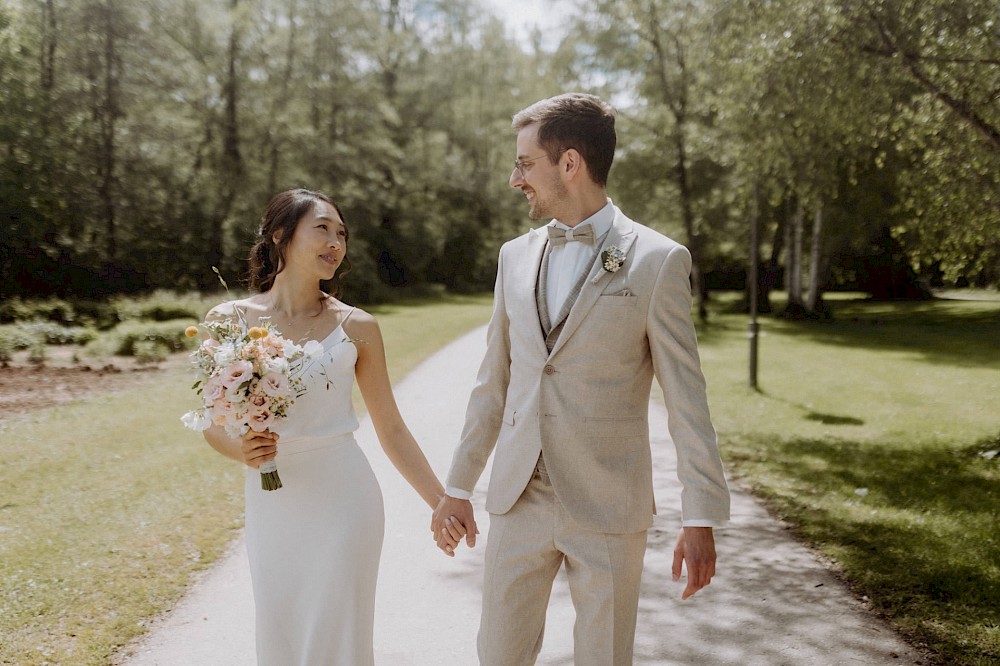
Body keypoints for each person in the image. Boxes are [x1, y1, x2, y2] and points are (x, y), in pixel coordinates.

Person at [431, 93, 731, 665]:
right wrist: (458, 487)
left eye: (525, 163)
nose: (515, 179)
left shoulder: (657, 260)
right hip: (519, 496)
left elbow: (686, 398)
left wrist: (700, 516)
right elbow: (492, 382)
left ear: (569, 163)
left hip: (608, 500)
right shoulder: (513, 257)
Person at [201, 188, 463, 665]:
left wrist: (440, 502)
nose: (335, 243)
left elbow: (391, 428)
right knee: (281, 632)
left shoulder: (358, 326)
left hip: (345, 499)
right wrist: (241, 450)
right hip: (272, 501)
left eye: (341, 233)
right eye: (322, 228)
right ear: (280, 235)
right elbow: (210, 422)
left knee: (339, 637)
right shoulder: (228, 321)